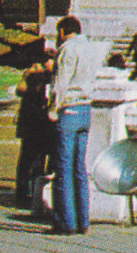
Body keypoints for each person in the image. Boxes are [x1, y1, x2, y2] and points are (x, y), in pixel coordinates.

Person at [46, 15, 106, 236]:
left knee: (63, 168)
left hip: (69, 109)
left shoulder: (68, 50)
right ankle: (83, 220)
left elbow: (61, 83)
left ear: (62, 32)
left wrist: (53, 109)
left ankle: (65, 222)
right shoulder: (90, 48)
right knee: (79, 169)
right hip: (85, 109)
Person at [13, 58, 55, 211]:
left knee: (40, 161)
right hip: (31, 124)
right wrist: (28, 75)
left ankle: (37, 192)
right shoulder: (31, 76)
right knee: (28, 160)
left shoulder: (52, 77)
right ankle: (23, 193)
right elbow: (20, 90)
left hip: (44, 124)